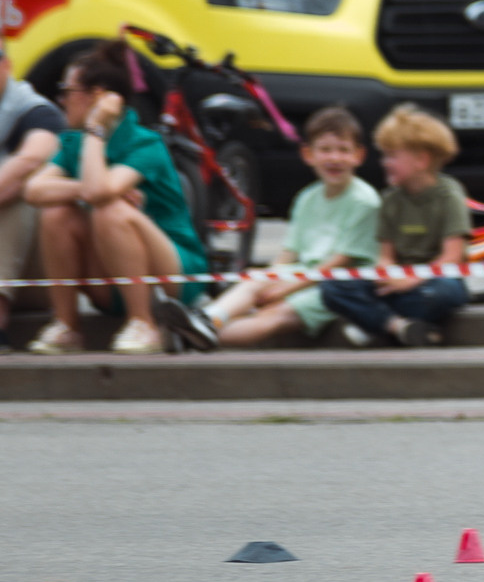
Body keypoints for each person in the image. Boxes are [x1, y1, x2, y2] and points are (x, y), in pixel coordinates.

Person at [23, 47, 210, 356]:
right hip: (110, 282)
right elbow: (34, 190)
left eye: (67, 91)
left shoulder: (144, 143)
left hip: (173, 276)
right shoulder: (72, 142)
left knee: (110, 210)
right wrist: (85, 186)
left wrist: (97, 129)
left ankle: (143, 323)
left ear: (97, 96)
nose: (62, 100)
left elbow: (101, 196)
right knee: (57, 214)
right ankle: (67, 326)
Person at [201, 106, 377, 348]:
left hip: (336, 287)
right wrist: (271, 278)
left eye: (343, 150)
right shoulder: (307, 197)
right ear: (308, 154)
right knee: (255, 280)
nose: (334, 158)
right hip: (303, 274)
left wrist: (284, 289)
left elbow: (340, 261)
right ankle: (206, 320)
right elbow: (288, 253)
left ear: (359, 155)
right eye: (325, 150)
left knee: (271, 317)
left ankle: (200, 338)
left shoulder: (364, 201)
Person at [320, 104, 468, 347]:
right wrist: (386, 274)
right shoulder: (390, 200)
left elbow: (452, 257)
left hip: (431, 280)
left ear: (421, 160)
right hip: (399, 282)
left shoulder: (449, 195)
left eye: (392, 156)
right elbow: (386, 255)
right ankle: (398, 326)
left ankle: (376, 323)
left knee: (445, 292)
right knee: (333, 288)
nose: (384, 162)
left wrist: (411, 280)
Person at [0, 39, 65, 351]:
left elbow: (30, 159)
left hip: (33, 274)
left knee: (22, 186)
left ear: (6, 65)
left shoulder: (36, 111)